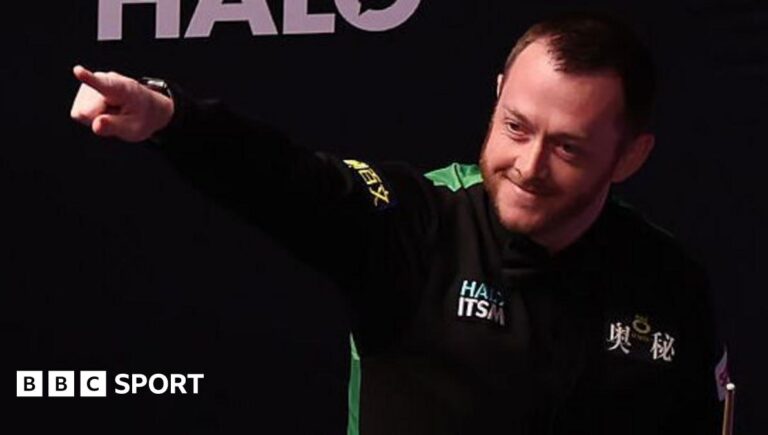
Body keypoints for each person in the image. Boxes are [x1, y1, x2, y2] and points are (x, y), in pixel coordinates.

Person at [70, 12, 725, 435]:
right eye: (515, 127)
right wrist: (173, 118)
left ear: (629, 156)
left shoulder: (671, 281)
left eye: (568, 148)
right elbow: (289, 181)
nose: (528, 166)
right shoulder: (419, 224)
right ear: (497, 93)